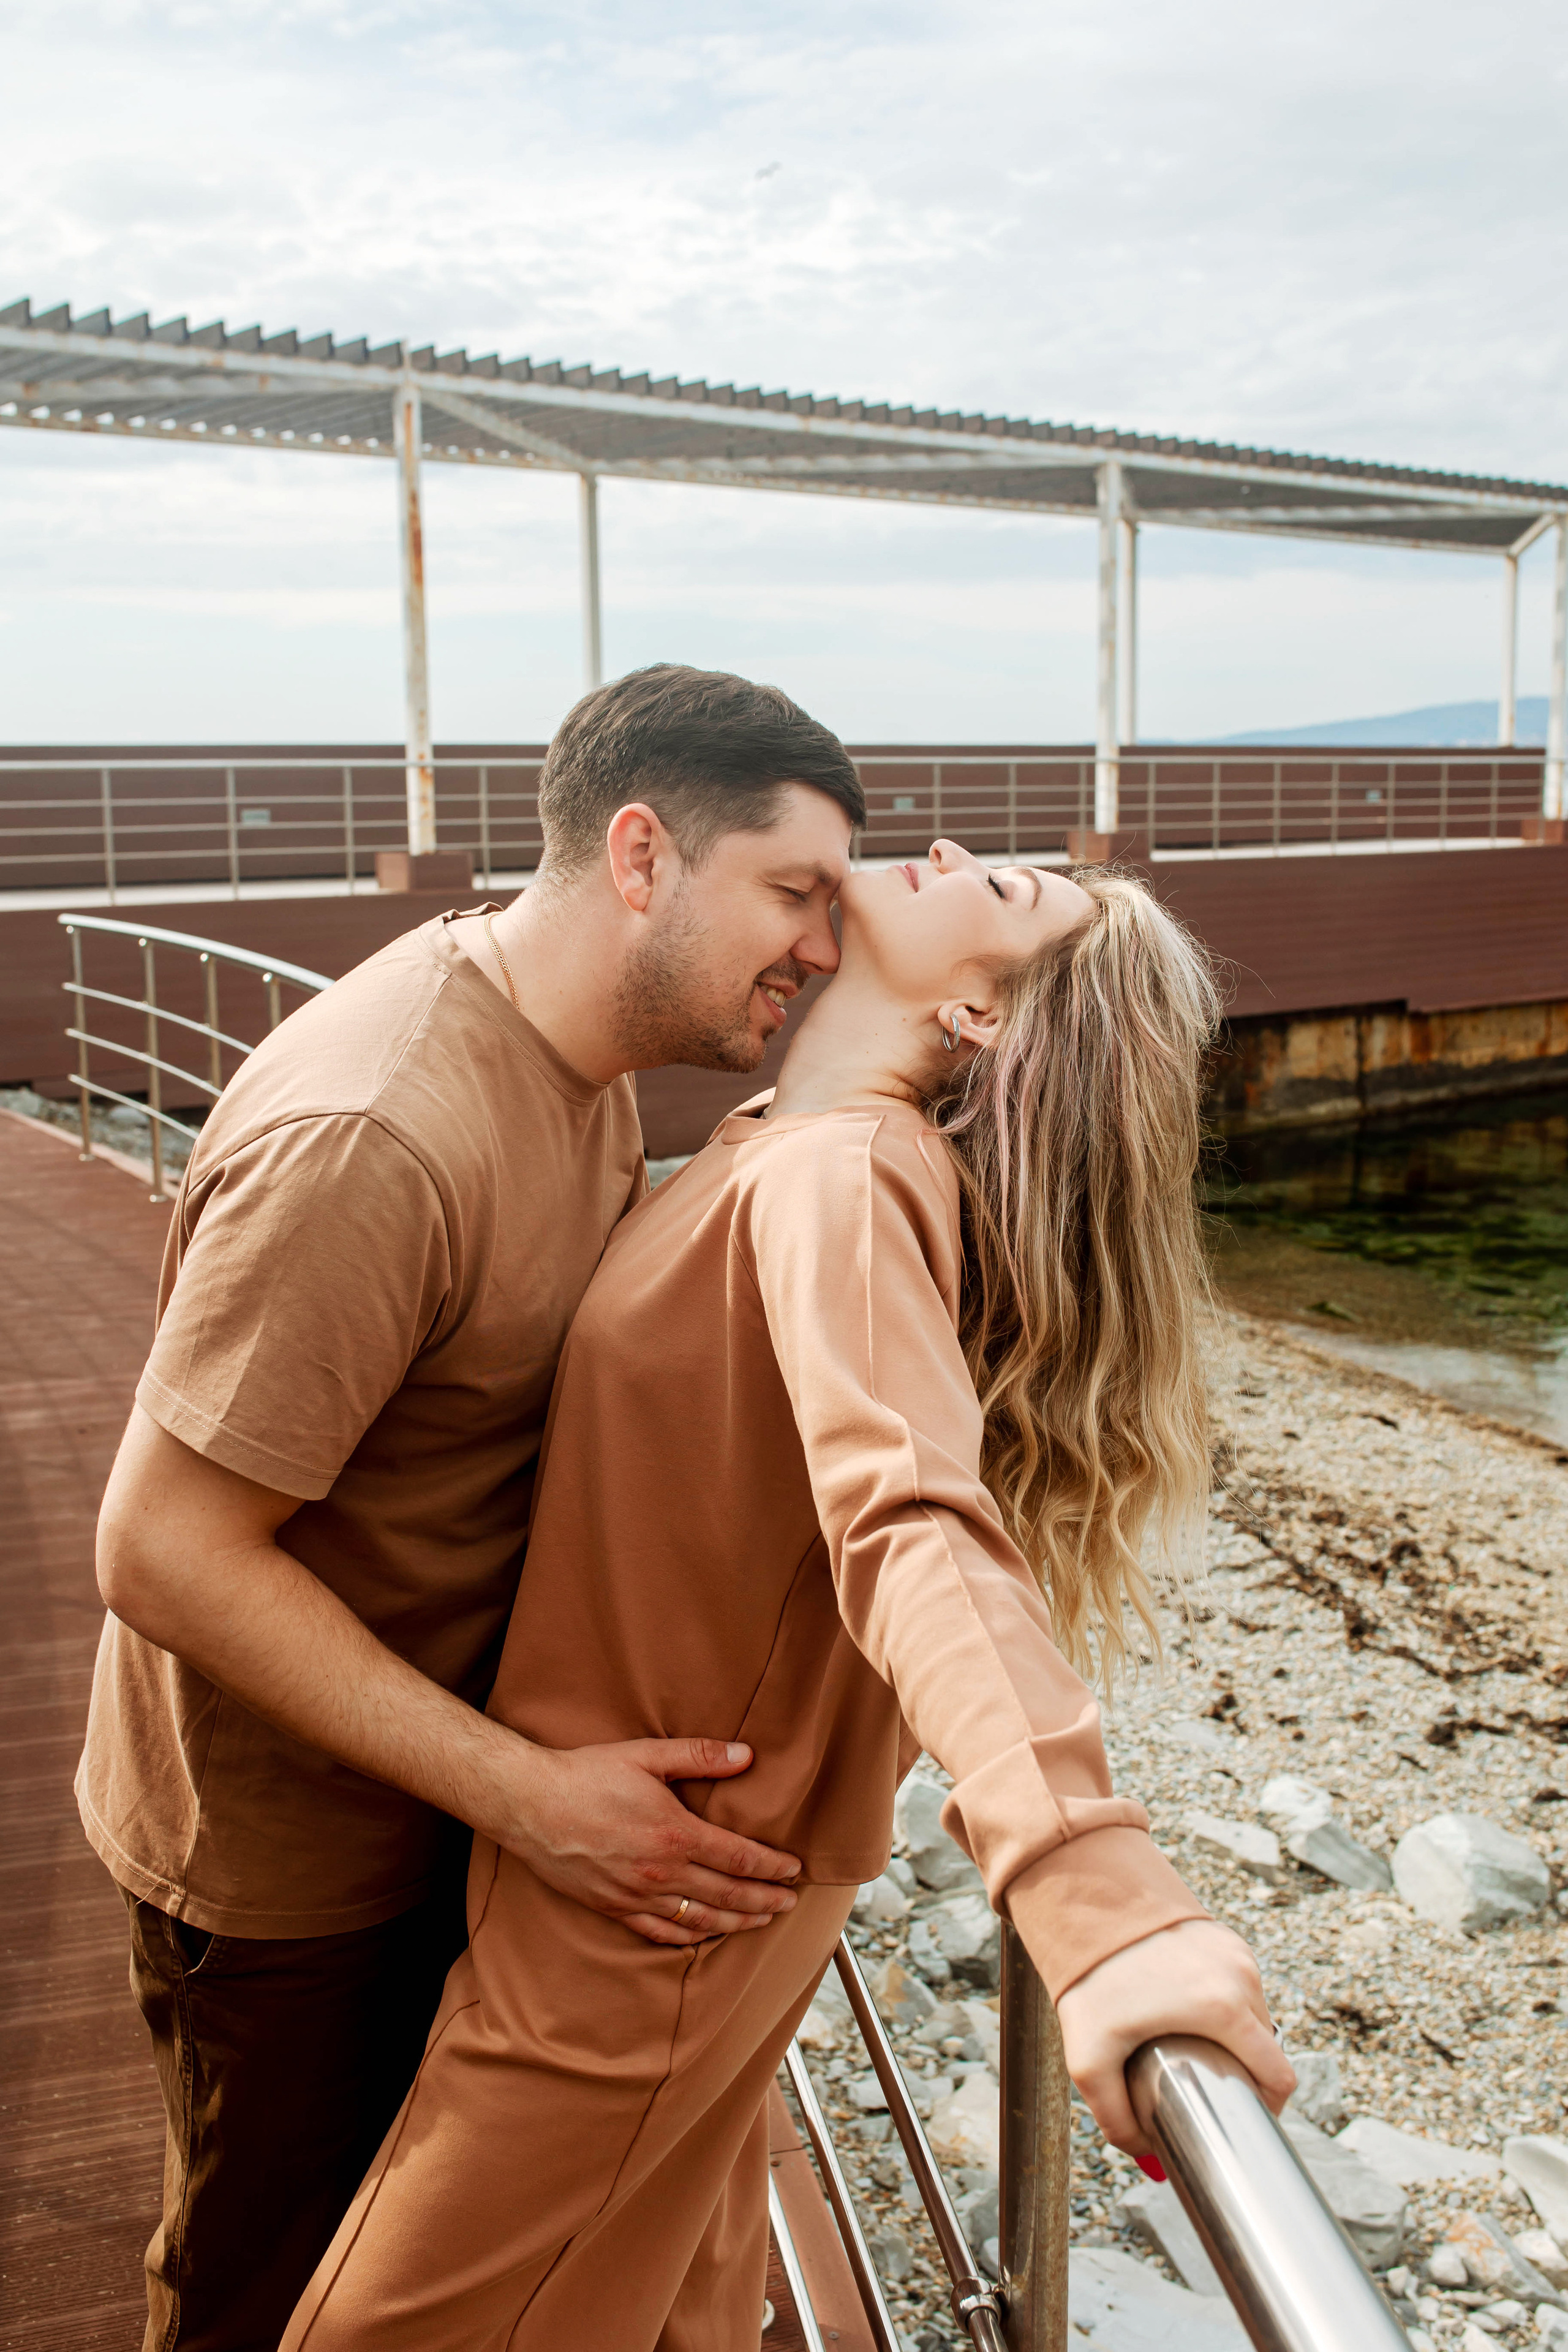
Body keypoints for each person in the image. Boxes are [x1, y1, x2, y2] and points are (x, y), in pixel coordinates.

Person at [280, 843, 1296, 2351]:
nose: (952, 848)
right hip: (638, 1847)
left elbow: (908, 1517)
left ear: (978, 1017)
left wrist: (1096, 1905)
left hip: (662, 1892)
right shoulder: (778, 1133)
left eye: (1002, 889)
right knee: (670, 2283)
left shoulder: (847, 1170)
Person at [82, 665, 869, 2351]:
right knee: (268, 2288)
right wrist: (533, 1798)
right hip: (283, 1862)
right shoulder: (378, 1137)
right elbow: (159, 1548)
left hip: (437, 1792)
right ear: (644, 856)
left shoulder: (583, 1052)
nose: (825, 943)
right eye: (796, 893)